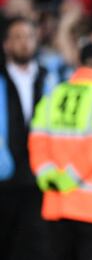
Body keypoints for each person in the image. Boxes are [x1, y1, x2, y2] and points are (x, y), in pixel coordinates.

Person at [28, 43, 92, 260]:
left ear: (77, 62)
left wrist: (49, 177)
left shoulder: (54, 95)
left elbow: (37, 139)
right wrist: (70, 178)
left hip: (57, 200)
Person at [0, 17, 56, 260]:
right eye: (17, 37)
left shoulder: (50, 77)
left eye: (29, 37)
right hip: (5, 176)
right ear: (6, 44)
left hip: (40, 175)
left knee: (37, 244)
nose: (24, 43)